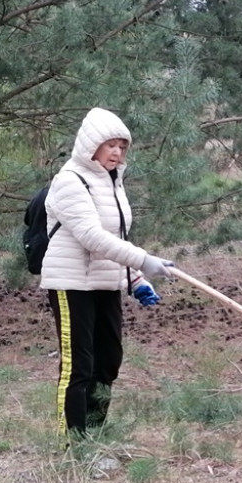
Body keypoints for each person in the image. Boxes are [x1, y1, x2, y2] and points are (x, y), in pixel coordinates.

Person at [40, 107, 174, 440]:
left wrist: (136, 278)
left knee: (108, 361)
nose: (116, 152)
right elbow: (92, 237)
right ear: (91, 145)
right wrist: (144, 260)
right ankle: (74, 444)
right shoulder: (70, 180)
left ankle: (95, 436)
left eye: (122, 146)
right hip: (71, 284)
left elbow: (117, 239)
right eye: (110, 145)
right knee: (79, 367)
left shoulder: (112, 181)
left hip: (105, 282)